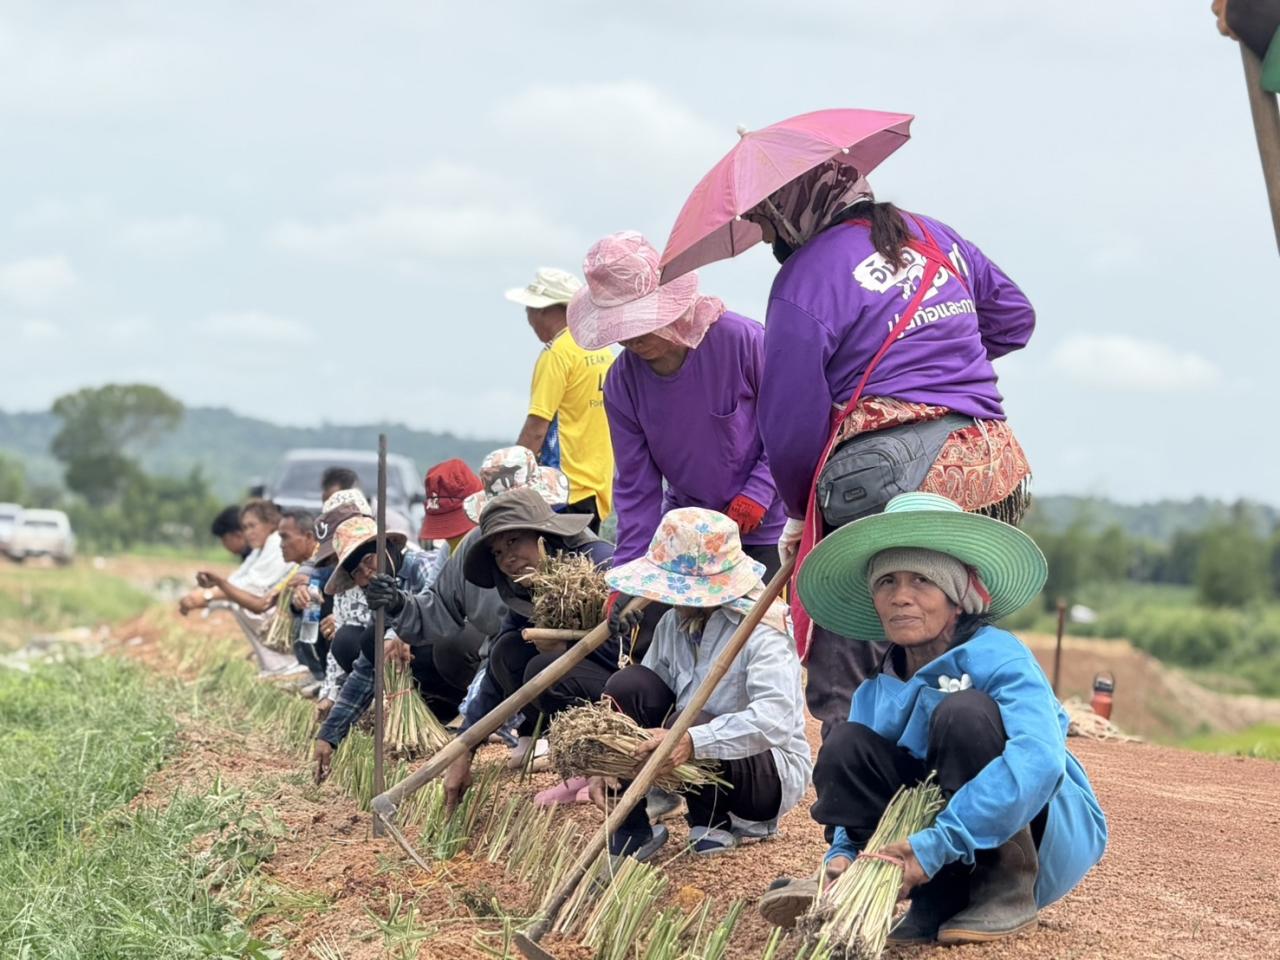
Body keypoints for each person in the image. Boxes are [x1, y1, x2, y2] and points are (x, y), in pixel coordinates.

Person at [745, 161, 1036, 736]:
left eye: (766, 221)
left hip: (882, 480)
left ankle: (864, 804)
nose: (765, 236)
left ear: (794, 209)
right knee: (954, 628)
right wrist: (937, 365)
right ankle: (967, 773)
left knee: (851, 644)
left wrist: (801, 512)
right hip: (987, 469)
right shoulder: (936, 237)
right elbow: (1014, 319)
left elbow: (789, 415)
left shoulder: (806, 276)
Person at [759, 493, 1106, 946]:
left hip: (1030, 833)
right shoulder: (875, 689)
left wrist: (936, 844)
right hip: (929, 856)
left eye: (922, 580)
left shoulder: (998, 654)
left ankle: (1003, 887)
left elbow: (1039, 759)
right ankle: (934, 897)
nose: (900, 597)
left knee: (964, 713)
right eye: (887, 582)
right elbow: (861, 781)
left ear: (957, 598)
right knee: (846, 742)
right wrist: (844, 851)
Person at [590, 508, 809, 860]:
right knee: (627, 686)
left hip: (760, 776)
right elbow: (648, 696)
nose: (672, 600)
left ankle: (711, 823)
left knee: (688, 721)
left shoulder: (763, 630)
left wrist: (693, 740)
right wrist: (610, 753)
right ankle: (630, 827)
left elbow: (775, 718)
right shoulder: (672, 624)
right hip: (686, 755)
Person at [566, 231, 786, 577]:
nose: (632, 337)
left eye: (640, 321)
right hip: (688, 534)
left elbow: (787, 424)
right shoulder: (622, 383)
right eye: (622, 326)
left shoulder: (741, 341)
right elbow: (637, 489)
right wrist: (629, 573)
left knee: (761, 629)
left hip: (765, 525)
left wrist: (759, 491)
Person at [440, 486, 615, 807]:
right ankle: (579, 765)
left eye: (513, 541)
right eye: (497, 552)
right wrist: (465, 747)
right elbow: (494, 676)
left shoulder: (600, 565)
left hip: (629, 695)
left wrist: (564, 645)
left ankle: (606, 765)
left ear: (543, 535)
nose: (507, 558)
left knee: (544, 667)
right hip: (583, 680)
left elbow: (638, 650)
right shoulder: (529, 590)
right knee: (508, 650)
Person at [312, 514, 446, 781]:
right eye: (357, 573)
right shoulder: (378, 595)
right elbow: (365, 671)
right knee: (367, 639)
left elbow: (436, 614)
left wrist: (401, 631)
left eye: (369, 560)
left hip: (451, 669)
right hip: (413, 685)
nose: (366, 575)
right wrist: (330, 734)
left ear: (388, 548)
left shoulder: (424, 566)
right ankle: (422, 716)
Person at [364, 458, 506, 705]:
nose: (454, 539)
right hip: (486, 645)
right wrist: (398, 609)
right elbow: (434, 602)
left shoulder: (509, 552)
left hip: (502, 646)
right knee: (379, 639)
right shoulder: (449, 552)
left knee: (456, 645)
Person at [506, 266, 615, 531]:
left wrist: (508, 486)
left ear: (544, 310)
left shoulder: (557, 354)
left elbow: (536, 429)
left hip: (561, 491)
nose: (528, 317)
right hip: (597, 489)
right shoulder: (602, 350)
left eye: (529, 309)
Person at [176, 505, 251, 613]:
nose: (224, 544)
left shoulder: (260, 552)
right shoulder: (250, 555)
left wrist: (207, 595)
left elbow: (247, 588)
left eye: (224, 539)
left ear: (237, 535)